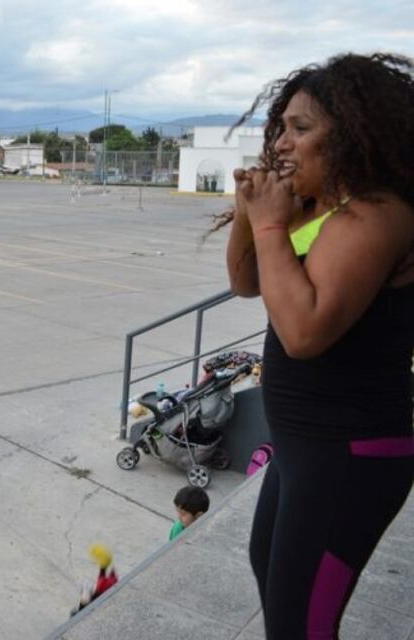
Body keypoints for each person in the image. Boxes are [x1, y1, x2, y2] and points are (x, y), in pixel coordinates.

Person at [221, 53, 414, 639]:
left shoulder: (376, 215)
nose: (282, 142)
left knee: (301, 626)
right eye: (280, 127)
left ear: (357, 135)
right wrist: (250, 214)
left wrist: (272, 226)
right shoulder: (322, 209)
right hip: (304, 446)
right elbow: (248, 282)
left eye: (301, 129)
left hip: (351, 454)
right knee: (272, 577)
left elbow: (303, 333)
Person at [70, 544, 118, 617]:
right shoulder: (109, 583)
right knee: (86, 590)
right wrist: (104, 565)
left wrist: (103, 565)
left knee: (86, 591)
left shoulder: (103, 585)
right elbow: (102, 577)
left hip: (99, 600)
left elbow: (101, 579)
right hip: (102, 597)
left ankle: (80, 612)